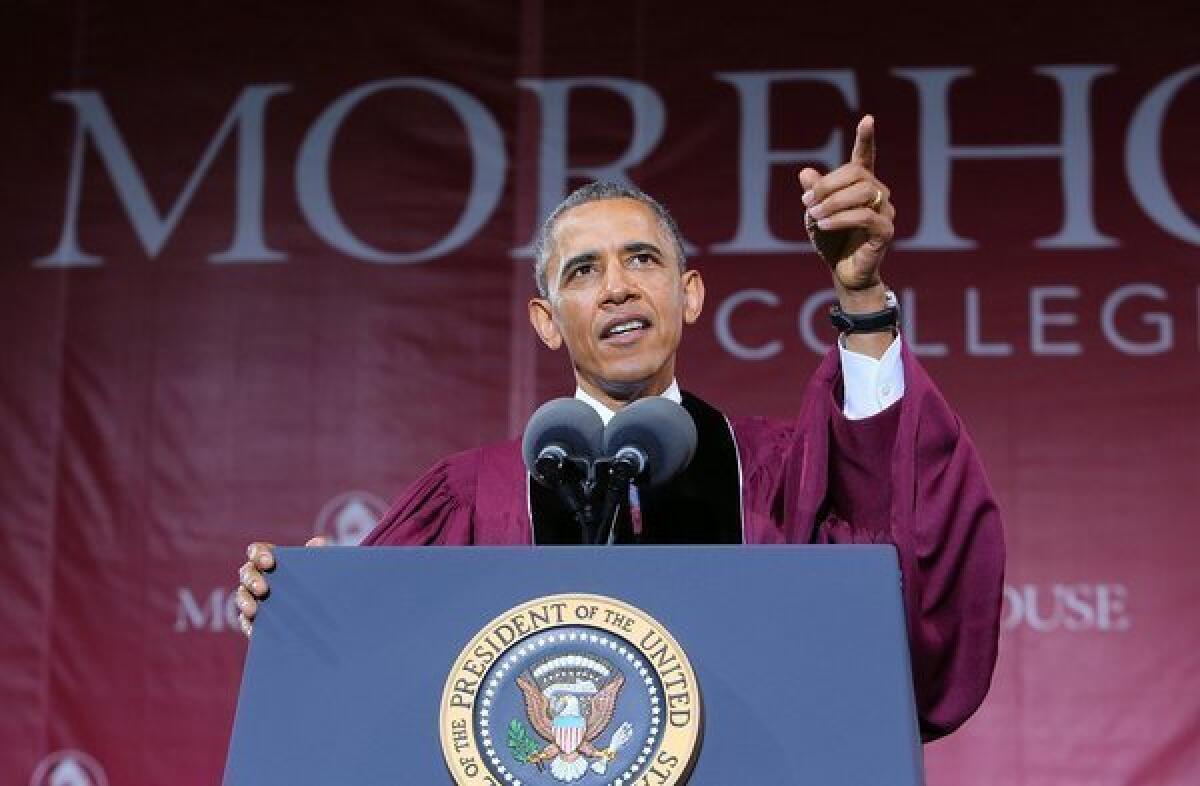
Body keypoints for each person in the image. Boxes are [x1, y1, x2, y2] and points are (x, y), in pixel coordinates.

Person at [235, 116, 1004, 740]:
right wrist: (311, 605)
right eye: (581, 272)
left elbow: (898, 571)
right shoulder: (472, 495)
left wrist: (862, 298)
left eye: (642, 259)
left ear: (690, 294)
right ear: (545, 321)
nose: (615, 289)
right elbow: (378, 683)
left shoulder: (776, 473)